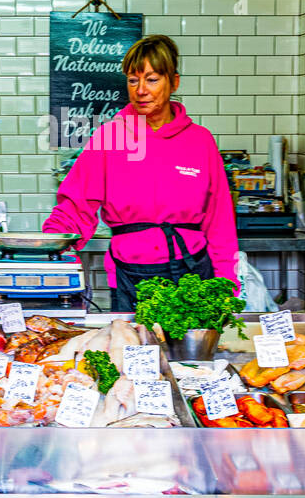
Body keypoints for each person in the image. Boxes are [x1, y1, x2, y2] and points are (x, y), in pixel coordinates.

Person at [43, 34, 239, 311]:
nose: (141, 90)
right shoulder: (109, 137)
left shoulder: (200, 141)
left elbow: (220, 223)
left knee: (193, 354)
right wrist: (51, 246)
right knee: (132, 352)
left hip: (193, 273)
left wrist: (227, 285)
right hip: (130, 276)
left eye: (152, 79)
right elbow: (76, 205)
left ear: (174, 81)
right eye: (133, 80)